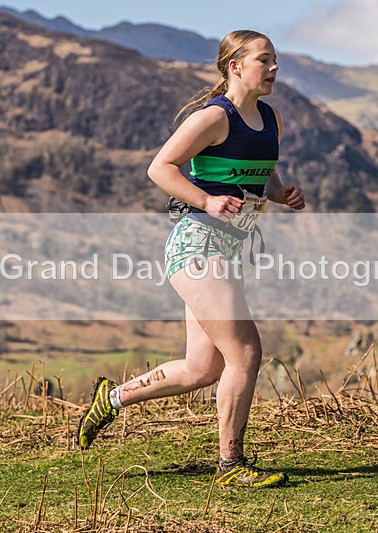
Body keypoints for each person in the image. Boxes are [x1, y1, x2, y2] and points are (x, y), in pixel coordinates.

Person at [77, 29, 305, 489]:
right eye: (265, 60)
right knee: (246, 353)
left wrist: (280, 193)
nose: (275, 68)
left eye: (276, 60)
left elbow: (260, 169)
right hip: (197, 245)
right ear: (235, 66)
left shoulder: (268, 118)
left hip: (228, 251)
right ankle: (230, 465)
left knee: (203, 369)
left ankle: (111, 398)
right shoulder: (212, 118)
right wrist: (206, 201)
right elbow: (160, 168)